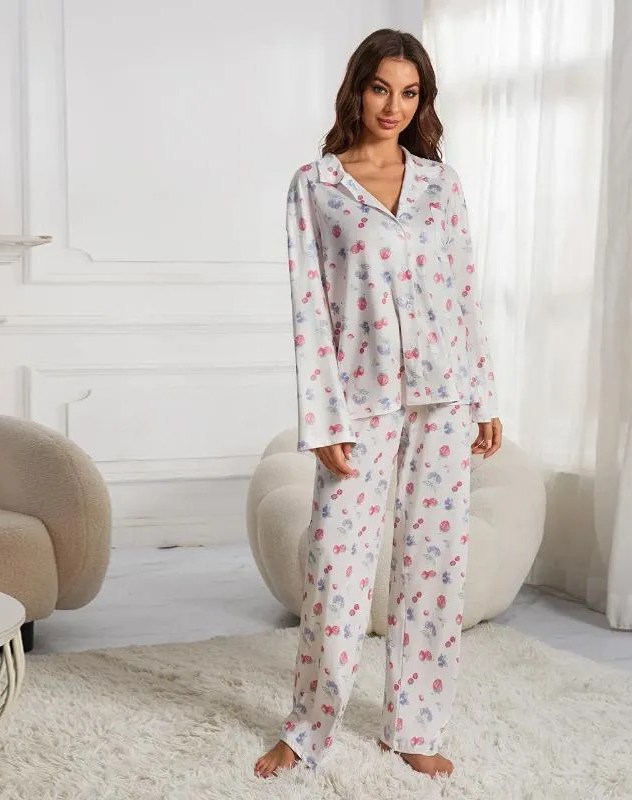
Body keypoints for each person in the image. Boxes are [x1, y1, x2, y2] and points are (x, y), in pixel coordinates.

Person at [254, 27, 502, 780]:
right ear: (356, 89)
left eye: (410, 93)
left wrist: (485, 394)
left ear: (423, 100)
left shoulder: (440, 185)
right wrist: (323, 419)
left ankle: (415, 724)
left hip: (444, 395)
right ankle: (308, 728)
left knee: (433, 567)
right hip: (360, 401)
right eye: (380, 88)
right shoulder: (316, 187)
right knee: (336, 567)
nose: (393, 106)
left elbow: (464, 292)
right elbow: (309, 311)